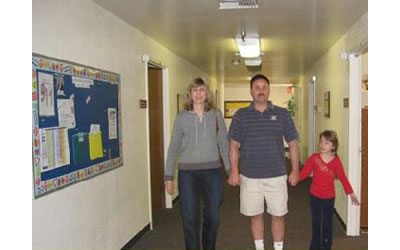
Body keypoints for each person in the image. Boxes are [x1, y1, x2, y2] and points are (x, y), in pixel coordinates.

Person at [227, 74, 300, 250]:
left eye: (264, 87)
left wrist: (296, 170)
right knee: (255, 214)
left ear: (269, 90)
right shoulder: (241, 116)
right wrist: (234, 171)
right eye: (257, 87)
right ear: (251, 91)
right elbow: (233, 145)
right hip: (250, 176)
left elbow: (292, 143)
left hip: (277, 175)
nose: (261, 91)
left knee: (278, 215)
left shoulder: (282, 114)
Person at [164, 77, 231, 250]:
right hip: (188, 174)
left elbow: (224, 143)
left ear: (207, 93)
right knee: (189, 218)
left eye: (202, 90)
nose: (198, 94)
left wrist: (231, 170)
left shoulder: (216, 115)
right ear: (190, 94)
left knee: (213, 216)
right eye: (195, 90)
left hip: (213, 172)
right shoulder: (182, 118)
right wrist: (168, 177)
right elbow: (173, 148)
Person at [298, 130, 360, 250]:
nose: (322, 145)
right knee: (316, 223)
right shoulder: (314, 158)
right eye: (321, 142)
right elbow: (304, 173)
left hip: (328, 198)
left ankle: (326, 246)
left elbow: (342, 177)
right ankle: (314, 246)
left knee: (327, 224)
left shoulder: (336, 161)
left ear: (333, 146)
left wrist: (351, 193)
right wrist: (295, 178)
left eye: (326, 143)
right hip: (314, 196)